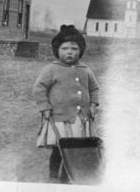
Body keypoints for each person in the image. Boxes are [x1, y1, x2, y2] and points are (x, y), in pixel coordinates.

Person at [33, 25, 99, 182]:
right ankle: (53, 177)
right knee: (59, 150)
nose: (70, 52)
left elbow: (94, 88)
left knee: (75, 151)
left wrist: (93, 105)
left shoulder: (86, 70)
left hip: (80, 119)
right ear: (57, 50)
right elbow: (39, 88)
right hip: (60, 118)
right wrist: (44, 107)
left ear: (80, 50)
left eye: (74, 48)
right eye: (65, 48)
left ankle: (66, 178)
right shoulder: (51, 69)